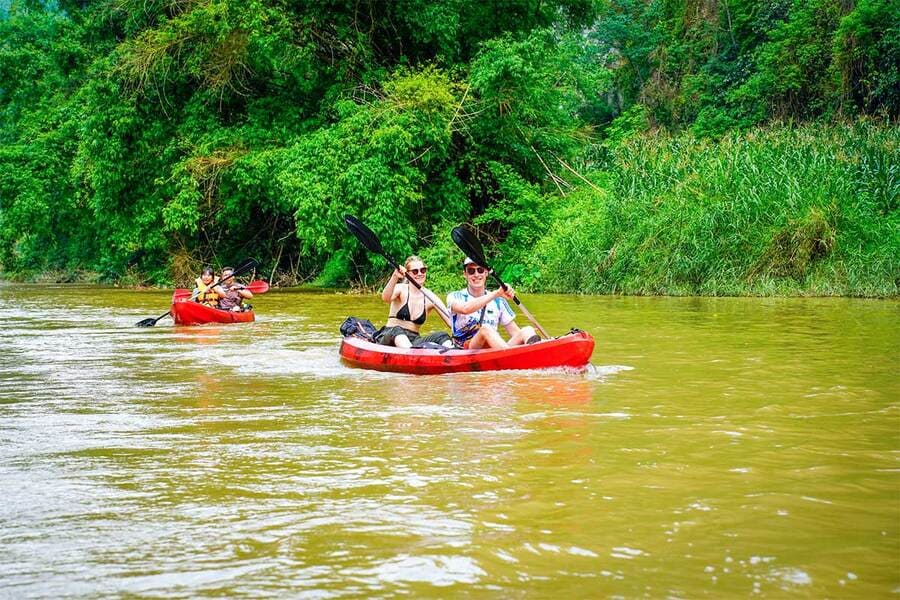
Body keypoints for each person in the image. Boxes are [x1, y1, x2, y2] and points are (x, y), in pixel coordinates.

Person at [446, 257, 540, 349]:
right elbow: (465, 309)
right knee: (485, 329)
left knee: (527, 330)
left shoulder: (499, 301)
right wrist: (497, 293)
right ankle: (507, 357)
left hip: (494, 349)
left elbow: (515, 332)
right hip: (466, 348)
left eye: (480, 270)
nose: (476, 274)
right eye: (471, 271)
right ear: (465, 274)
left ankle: (536, 352)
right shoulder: (454, 296)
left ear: (486, 272)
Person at [376, 255, 454, 348]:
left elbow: (451, 322)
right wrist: (395, 276)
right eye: (415, 271)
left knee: (442, 335)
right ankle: (411, 354)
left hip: (414, 340)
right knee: (397, 330)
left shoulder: (430, 297)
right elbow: (386, 298)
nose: (420, 274)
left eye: (423, 270)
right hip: (390, 336)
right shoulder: (400, 289)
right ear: (408, 274)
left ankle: (453, 353)